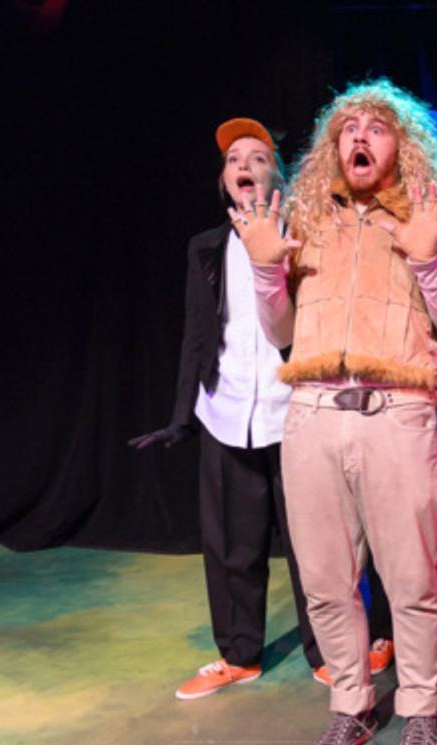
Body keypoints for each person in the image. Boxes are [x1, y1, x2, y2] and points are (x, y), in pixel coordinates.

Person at [230, 79, 437, 745]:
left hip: (397, 413)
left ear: (404, 146)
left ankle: (422, 711)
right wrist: (264, 270)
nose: (361, 135)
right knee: (326, 582)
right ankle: (351, 704)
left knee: (409, 579)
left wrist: (428, 258)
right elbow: (280, 331)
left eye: (378, 126)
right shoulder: (302, 221)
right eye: (349, 127)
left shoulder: (428, 217)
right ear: (333, 146)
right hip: (310, 415)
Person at [129, 117, 328, 699]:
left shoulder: (305, 237)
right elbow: (198, 333)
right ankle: (238, 654)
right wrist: (182, 415)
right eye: (233, 159)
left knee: (315, 544)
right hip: (226, 409)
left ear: (280, 178)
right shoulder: (206, 248)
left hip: (296, 410)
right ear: (224, 181)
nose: (244, 164)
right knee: (230, 546)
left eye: (258, 157)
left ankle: (329, 651)